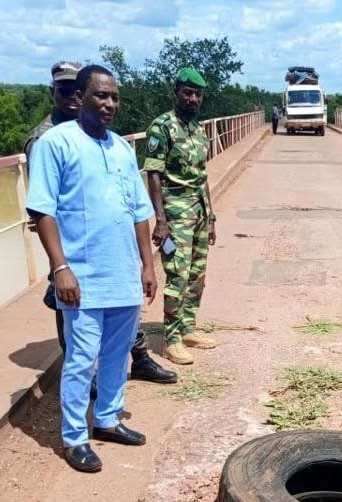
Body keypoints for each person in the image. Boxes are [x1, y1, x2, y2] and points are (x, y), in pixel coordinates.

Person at [26, 65, 157, 473]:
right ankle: (74, 437)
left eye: (114, 97)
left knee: (117, 354)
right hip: (81, 276)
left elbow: (139, 211)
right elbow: (42, 208)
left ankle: (107, 419)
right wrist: (60, 267)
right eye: (100, 95)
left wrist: (147, 265)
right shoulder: (56, 143)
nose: (109, 104)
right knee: (82, 358)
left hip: (122, 272)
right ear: (80, 96)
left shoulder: (121, 147)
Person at [24, 62, 177, 386]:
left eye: (74, 90)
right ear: (55, 92)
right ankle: (83, 379)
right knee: (69, 308)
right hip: (71, 245)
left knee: (124, 306)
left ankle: (139, 358)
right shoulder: (46, 138)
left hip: (109, 243)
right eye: (63, 90)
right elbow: (42, 206)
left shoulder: (105, 137)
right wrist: (60, 263)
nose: (70, 97)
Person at [144, 67, 217, 365]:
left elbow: (202, 176)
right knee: (177, 274)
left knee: (197, 275)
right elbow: (153, 173)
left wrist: (211, 217)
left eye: (197, 94)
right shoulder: (162, 127)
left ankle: (187, 327)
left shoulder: (198, 130)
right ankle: (171, 339)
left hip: (199, 212)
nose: (192, 98)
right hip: (175, 215)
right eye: (187, 92)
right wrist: (160, 220)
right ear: (176, 92)